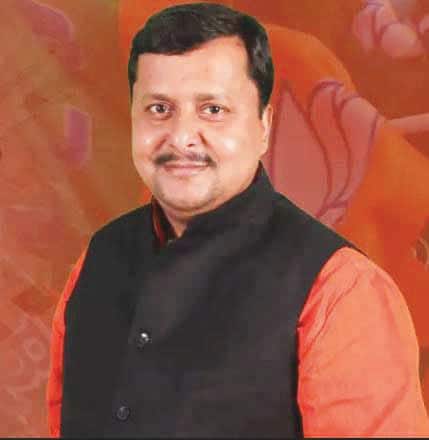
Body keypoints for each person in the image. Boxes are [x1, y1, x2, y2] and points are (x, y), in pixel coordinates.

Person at [46, 2, 429, 437]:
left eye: (213, 109)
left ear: (264, 125)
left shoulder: (338, 292)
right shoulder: (97, 260)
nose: (182, 138)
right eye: (159, 109)